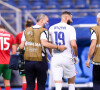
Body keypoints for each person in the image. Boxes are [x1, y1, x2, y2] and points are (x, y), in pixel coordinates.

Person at [19, 13, 66, 90]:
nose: (47, 23)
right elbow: (44, 43)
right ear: (42, 20)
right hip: (40, 60)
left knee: (30, 85)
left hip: (28, 60)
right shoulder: (43, 31)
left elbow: (21, 46)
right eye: (47, 21)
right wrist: (58, 47)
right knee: (41, 85)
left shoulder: (26, 31)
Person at [49, 11, 78, 90]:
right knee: (71, 83)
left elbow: (49, 44)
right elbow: (74, 45)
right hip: (67, 57)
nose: (71, 21)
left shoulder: (52, 28)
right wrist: (76, 56)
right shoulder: (70, 28)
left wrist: (52, 54)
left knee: (58, 84)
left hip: (55, 57)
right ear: (65, 17)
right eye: (70, 19)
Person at [16, 19, 34, 90]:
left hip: (22, 57)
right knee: (35, 78)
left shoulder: (19, 35)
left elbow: (18, 48)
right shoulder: (36, 33)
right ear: (32, 26)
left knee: (24, 79)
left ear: (25, 26)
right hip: (33, 56)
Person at [86, 13, 100, 90]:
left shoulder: (95, 29)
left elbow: (93, 44)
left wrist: (88, 59)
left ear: (98, 20)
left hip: (98, 61)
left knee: (97, 82)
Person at [0, 25, 16, 90]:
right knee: (7, 82)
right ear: (4, 29)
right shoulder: (11, 36)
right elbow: (14, 51)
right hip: (8, 62)